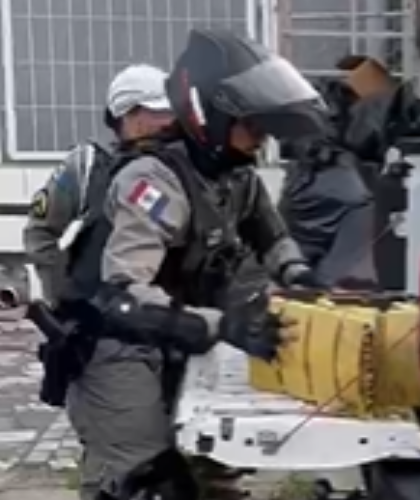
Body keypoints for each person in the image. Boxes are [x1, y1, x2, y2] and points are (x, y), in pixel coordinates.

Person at [60, 29, 328, 500]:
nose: (261, 140)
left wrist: (299, 277)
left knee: (215, 462)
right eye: (253, 126)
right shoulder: (155, 183)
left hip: (179, 332)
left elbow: (270, 234)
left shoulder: (235, 176)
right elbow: (123, 296)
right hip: (114, 344)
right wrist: (225, 326)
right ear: (213, 118)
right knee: (151, 481)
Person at [23, 64, 174, 302]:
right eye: (158, 112)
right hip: (95, 312)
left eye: (171, 111)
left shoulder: (184, 168)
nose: (169, 121)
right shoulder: (87, 165)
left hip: (167, 312)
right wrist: (59, 295)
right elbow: (40, 233)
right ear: (127, 114)